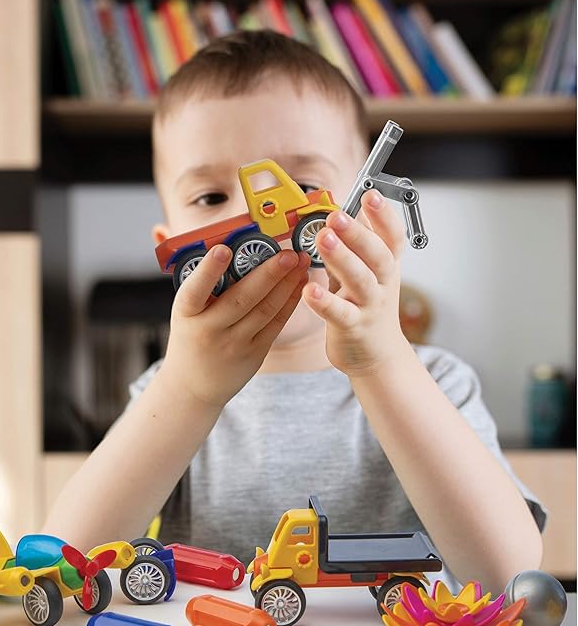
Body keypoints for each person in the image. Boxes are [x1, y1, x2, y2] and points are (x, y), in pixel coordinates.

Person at [44, 30, 544, 594]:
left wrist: (381, 363)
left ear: (361, 217)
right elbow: (65, 571)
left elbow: (510, 578)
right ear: (169, 246)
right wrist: (187, 390)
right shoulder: (167, 392)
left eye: (303, 183)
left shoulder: (437, 381)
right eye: (210, 197)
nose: (248, 215)